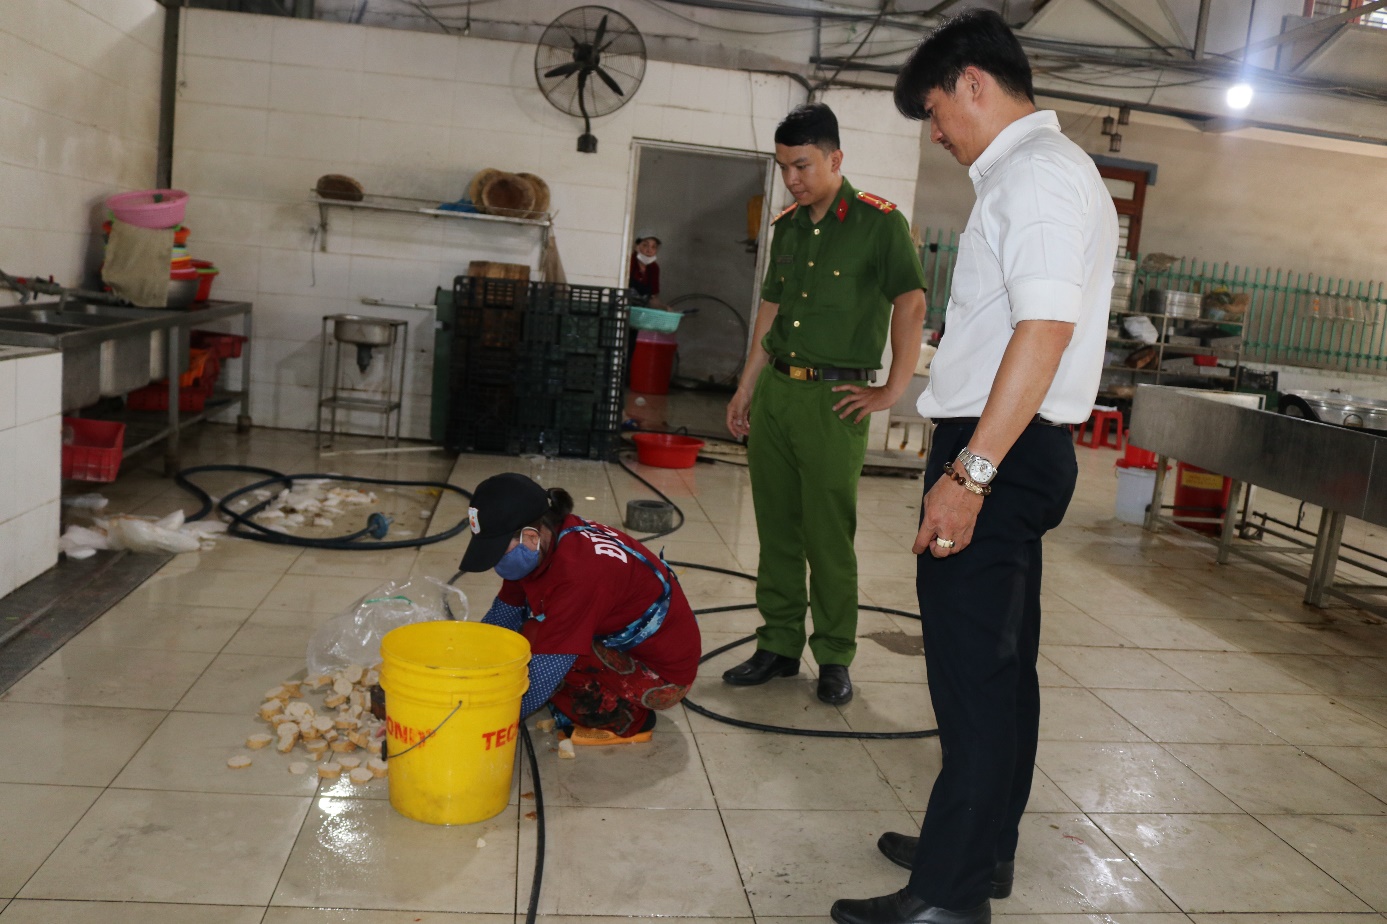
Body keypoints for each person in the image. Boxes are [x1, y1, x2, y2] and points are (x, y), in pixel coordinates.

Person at [829, 12, 1118, 924]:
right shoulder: (1048, 171)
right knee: (1000, 668)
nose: (935, 133)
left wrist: (970, 474)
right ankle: (978, 849)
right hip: (1014, 446)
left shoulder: (1034, 176)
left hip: (999, 451)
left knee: (973, 679)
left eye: (933, 111)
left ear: (973, 83)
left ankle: (947, 898)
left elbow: (1045, 328)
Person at [722, 103, 928, 706]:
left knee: (828, 536)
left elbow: (911, 303)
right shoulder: (787, 228)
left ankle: (834, 654)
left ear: (836, 158)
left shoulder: (879, 223)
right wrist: (746, 384)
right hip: (778, 392)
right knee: (776, 529)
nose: (792, 179)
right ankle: (779, 645)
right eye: (784, 167)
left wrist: (893, 389)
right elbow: (770, 309)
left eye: (803, 165)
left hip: (835, 401)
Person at [457, 473, 701, 744]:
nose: (496, 562)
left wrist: (485, 720)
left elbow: (547, 668)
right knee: (527, 638)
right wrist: (466, 666)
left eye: (498, 551)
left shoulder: (578, 572)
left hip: (662, 677)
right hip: (622, 641)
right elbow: (503, 616)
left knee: (543, 651)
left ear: (530, 536)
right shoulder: (544, 540)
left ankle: (628, 720)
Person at [629, 231, 667, 309]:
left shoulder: (654, 268)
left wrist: (663, 308)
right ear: (636, 246)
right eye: (645, 245)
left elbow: (653, 298)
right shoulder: (628, 262)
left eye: (653, 247)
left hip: (641, 311)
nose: (649, 250)